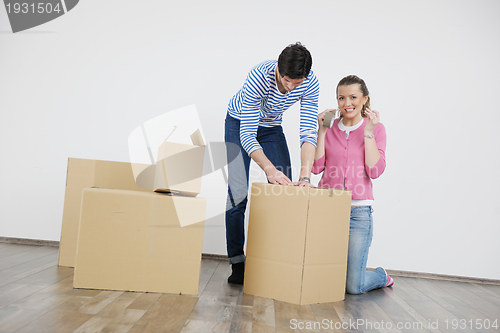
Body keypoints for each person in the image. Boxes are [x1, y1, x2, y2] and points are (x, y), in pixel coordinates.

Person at [224, 42, 319, 284]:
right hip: (239, 124)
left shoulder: (310, 83)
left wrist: (306, 176)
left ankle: (277, 260)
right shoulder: (258, 75)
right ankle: (237, 264)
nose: (289, 88)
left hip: (271, 128)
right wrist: (269, 169)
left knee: (286, 191)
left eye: (296, 84)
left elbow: (308, 132)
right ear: (278, 68)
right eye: (286, 80)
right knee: (237, 195)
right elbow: (247, 134)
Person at [312, 75, 393, 294]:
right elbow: (316, 168)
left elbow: (375, 171)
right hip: (328, 208)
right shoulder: (330, 128)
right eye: (341, 98)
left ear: (365, 99)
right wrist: (321, 131)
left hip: (358, 213)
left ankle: (380, 275)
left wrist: (368, 133)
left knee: (353, 287)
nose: (347, 103)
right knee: (324, 277)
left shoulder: (376, 129)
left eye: (353, 97)